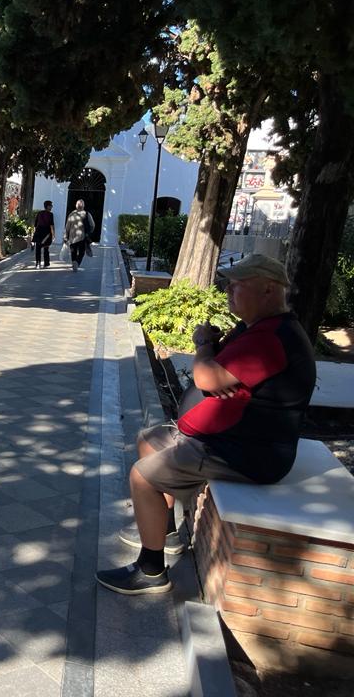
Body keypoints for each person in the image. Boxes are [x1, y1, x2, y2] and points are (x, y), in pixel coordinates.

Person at [96, 254, 316, 594]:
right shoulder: (255, 328)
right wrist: (214, 349)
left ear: (268, 289)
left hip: (243, 451)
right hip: (223, 438)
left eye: (237, 284)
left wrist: (202, 347)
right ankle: (165, 531)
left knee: (142, 475)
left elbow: (206, 377)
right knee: (149, 439)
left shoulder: (273, 338)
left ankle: (151, 569)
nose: (228, 290)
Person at [63, 199, 94, 271]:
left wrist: (65, 236)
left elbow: (67, 226)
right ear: (83, 206)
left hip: (72, 237)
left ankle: (74, 262)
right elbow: (92, 225)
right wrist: (89, 232)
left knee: (73, 252)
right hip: (82, 237)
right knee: (81, 252)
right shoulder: (87, 214)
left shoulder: (71, 214)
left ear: (76, 206)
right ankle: (77, 263)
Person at [32, 200, 56, 268]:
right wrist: (53, 234)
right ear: (48, 206)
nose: (52, 207)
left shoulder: (39, 213)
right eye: (51, 205)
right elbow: (52, 225)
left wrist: (34, 233)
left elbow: (35, 224)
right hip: (46, 233)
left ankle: (38, 263)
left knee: (38, 248)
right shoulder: (50, 214)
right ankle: (46, 263)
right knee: (46, 248)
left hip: (38, 232)